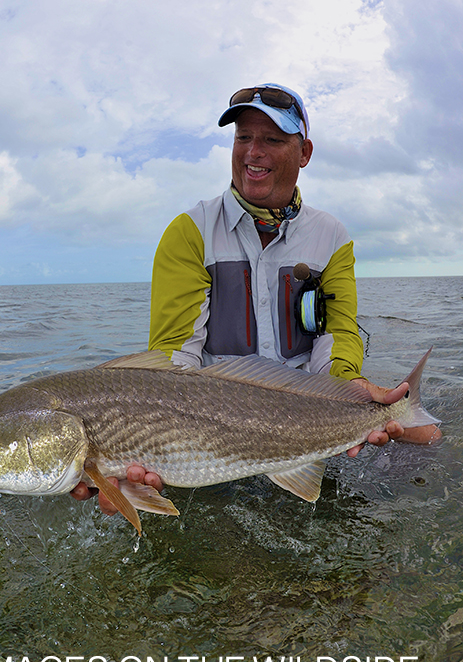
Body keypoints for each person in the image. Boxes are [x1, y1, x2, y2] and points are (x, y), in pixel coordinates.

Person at [71, 82, 440, 512]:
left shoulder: (332, 237)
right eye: (243, 137)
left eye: (272, 139)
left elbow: (336, 334)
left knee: (426, 437)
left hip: (309, 406)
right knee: (119, 499)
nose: (253, 152)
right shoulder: (189, 232)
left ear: (304, 153)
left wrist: (349, 386)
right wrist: (151, 439)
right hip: (216, 418)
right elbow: (174, 356)